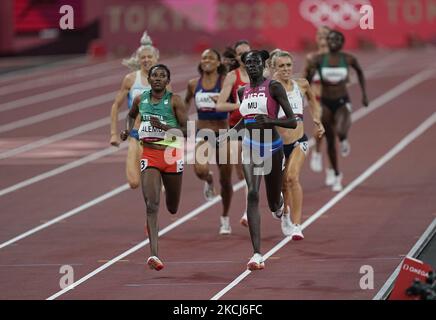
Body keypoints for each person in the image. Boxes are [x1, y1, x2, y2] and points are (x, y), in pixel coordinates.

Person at [219, 50, 298, 270]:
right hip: (250, 147)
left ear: (263, 64)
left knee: (272, 202)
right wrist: (228, 134)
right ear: (244, 66)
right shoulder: (243, 91)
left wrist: (271, 120)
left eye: (256, 62)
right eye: (248, 62)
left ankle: (280, 203)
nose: (252, 65)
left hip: (272, 148)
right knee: (252, 193)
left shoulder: (274, 87)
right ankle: (257, 254)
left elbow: (292, 121)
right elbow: (245, 121)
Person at [120, 64, 188, 271]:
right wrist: (127, 130)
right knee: (151, 204)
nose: (158, 78)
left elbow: (186, 130)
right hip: (149, 153)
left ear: (168, 81)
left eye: (162, 76)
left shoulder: (175, 100)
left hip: (171, 153)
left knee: (172, 206)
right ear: (149, 80)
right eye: (154, 75)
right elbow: (130, 115)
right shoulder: (141, 99)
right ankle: (154, 255)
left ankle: (170, 200)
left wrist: (165, 127)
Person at [305, 30, 369, 192]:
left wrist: (364, 95)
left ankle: (344, 138)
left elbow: (360, 72)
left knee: (340, 130)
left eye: (337, 39)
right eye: (330, 39)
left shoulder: (347, 58)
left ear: (342, 42)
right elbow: (307, 77)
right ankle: (335, 173)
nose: (333, 42)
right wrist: (304, 93)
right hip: (325, 101)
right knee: (329, 139)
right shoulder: (318, 59)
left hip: (342, 101)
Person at [272, 50, 325, 239]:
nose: (286, 69)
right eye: (281, 66)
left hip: (298, 141)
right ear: (273, 68)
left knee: (292, 178)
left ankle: (297, 225)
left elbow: (313, 102)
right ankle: (284, 212)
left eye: (288, 65)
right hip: (276, 145)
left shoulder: (301, 84)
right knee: (282, 185)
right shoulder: (269, 88)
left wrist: (318, 121)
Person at [184, 48, 234, 235]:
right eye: (204, 57)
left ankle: (225, 218)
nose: (207, 60)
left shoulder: (225, 82)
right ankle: (209, 180)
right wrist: (179, 119)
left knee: (226, 179)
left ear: (219, 62)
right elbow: (185, 103)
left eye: (211, 57)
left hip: (223, 132)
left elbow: (237, 102)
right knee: (200, 169)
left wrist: (222, 102)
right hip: (203, 131)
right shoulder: (193, 84)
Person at [109, 31, 159, 188]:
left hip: (155, 135)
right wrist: (113, 134)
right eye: (143, 57)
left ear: (156, 59)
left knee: (152, 180)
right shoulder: (131, 79)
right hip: (135, 134)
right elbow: (116, 105)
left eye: (149, 57)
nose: (146, 60)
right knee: (134, 183)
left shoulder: (162, 79)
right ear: (138, 59)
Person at [216, 40, 251, 227]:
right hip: (236, 127)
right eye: (241, 53)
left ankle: (248, 212)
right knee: (240, 171)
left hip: (256, 127)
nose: (245, 56)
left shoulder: (261, 75)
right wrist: (239, 105)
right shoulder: (232, 76)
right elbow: (220, 104)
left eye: (248, 52)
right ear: (236, 57)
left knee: (248, 171)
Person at [304, 26, 331, 173]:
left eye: (324, 34)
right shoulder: (311, 58)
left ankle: (319, 152)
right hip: (317, 98)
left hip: (332, 97)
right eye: (319, 34)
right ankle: (317, 153)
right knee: (320, 127)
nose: (321, 37)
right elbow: (304, 78)